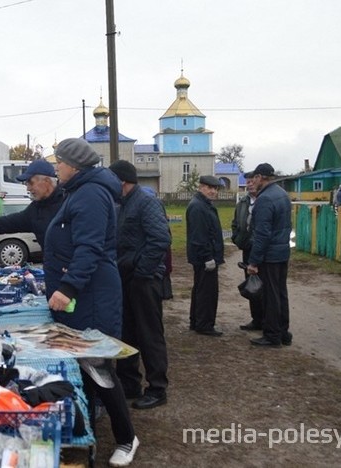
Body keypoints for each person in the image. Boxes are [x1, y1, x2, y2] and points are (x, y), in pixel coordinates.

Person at [45, 138, 139, 467]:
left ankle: (127, 438)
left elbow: (90, 246)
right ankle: (90, 430)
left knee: (99, 365)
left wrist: (68, 287)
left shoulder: (91, 193)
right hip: (85, 294)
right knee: (84, 363)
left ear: (74, 165)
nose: (55, 167)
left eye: (59, 162)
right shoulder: (79, 191)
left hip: (93, 295)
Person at [109, 160, 171, 410]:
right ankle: (129, 382)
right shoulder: (121, 204)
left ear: (121, 181)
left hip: (144, 280)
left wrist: (143, 272)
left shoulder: (146, 201)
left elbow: (160, 239)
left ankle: (157, 388)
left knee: (149, 334)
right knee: (128, 332)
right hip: (127, 278)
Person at [245, 163, 293, 347]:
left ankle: (272, 335)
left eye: (254, 178)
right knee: (281, 293)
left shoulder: (264, 199)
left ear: (260, 177)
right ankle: (283, 332)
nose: (253, 182)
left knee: (270, 296)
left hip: (270, 255)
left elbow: (262, 234)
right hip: (282, 252)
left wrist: (254, 261)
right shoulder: (282, 194)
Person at [186, 175, 225, 336]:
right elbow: (199, 236)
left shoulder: (203, 205)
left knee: (201, 289)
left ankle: (197, 321)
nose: (213, 191)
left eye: (215, 189)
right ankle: (204, 324)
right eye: (209, 188)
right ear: (201, 187)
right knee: (207, 292)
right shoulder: (198, 207)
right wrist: (208, 257)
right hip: (204, 258)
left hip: (204, 256)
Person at [232, 173, 264, 331]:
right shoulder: (242, 203)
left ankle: (267, 320)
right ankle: (256, 319)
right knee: (251, 286)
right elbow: (236, 223)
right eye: (247, 182)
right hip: (247, 250)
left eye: (252, 181)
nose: (250, 184)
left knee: (264, 285)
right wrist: (237, 239)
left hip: (263, 251)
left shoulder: (265, 200)